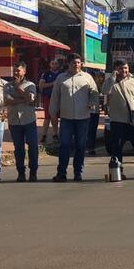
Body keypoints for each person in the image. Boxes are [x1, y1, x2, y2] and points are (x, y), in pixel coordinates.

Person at [49, 53, 99, 182]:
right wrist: (52, 113)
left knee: (80, 146)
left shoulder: (87, 77)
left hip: (83, 118)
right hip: (66, 118)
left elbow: (94, 94)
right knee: (64, 145)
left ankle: (78, 173)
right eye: (73, 63)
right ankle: (61, 173)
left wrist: (93, 104)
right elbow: (55, 97)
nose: (76, 65)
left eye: (78, 62)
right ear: (68, 64)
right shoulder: (61, 78)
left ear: (81, 64)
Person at [102, 60, 134, 178]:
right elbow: (104, 91)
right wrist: (112, 78)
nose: (124, 71)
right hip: (117, 120)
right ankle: (118, 171)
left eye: (125, 68)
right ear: (116, 69)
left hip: (132, 120)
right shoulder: (110, 83)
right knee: (117, 147)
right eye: (121, 68)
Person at [5, 62, 39, 182]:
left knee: (33, 147)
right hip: (14, 121)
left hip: (29, 120)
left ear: (24, 71)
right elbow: (7, 101)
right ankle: (21, 173)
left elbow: (31, 99)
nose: (16, 73)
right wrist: (23, 99)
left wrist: (18, 88)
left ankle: (33, 172)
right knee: (18, 148)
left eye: (18, 70)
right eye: (14, 70)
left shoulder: (31, 85)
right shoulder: (7, 86)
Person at [39, 59, 60, 143]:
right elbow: (41, 85)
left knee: (56, 117)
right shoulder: (45, 74)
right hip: (48, 98)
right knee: (47, 117)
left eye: (56, 63)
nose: (54, 65)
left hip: (59, 98)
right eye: (52, 63)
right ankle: (44, 135)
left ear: (58, 65)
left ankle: (55, 134)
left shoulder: (61, 74)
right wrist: (53, 83)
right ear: (50, 65)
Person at [86, 71, 104, 156]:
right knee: (88, 130)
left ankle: (91, 147)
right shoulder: (85, 86)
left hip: (95, 111)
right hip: (87, 111)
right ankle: (89, 147)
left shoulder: (97, 86)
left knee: (92, 131)